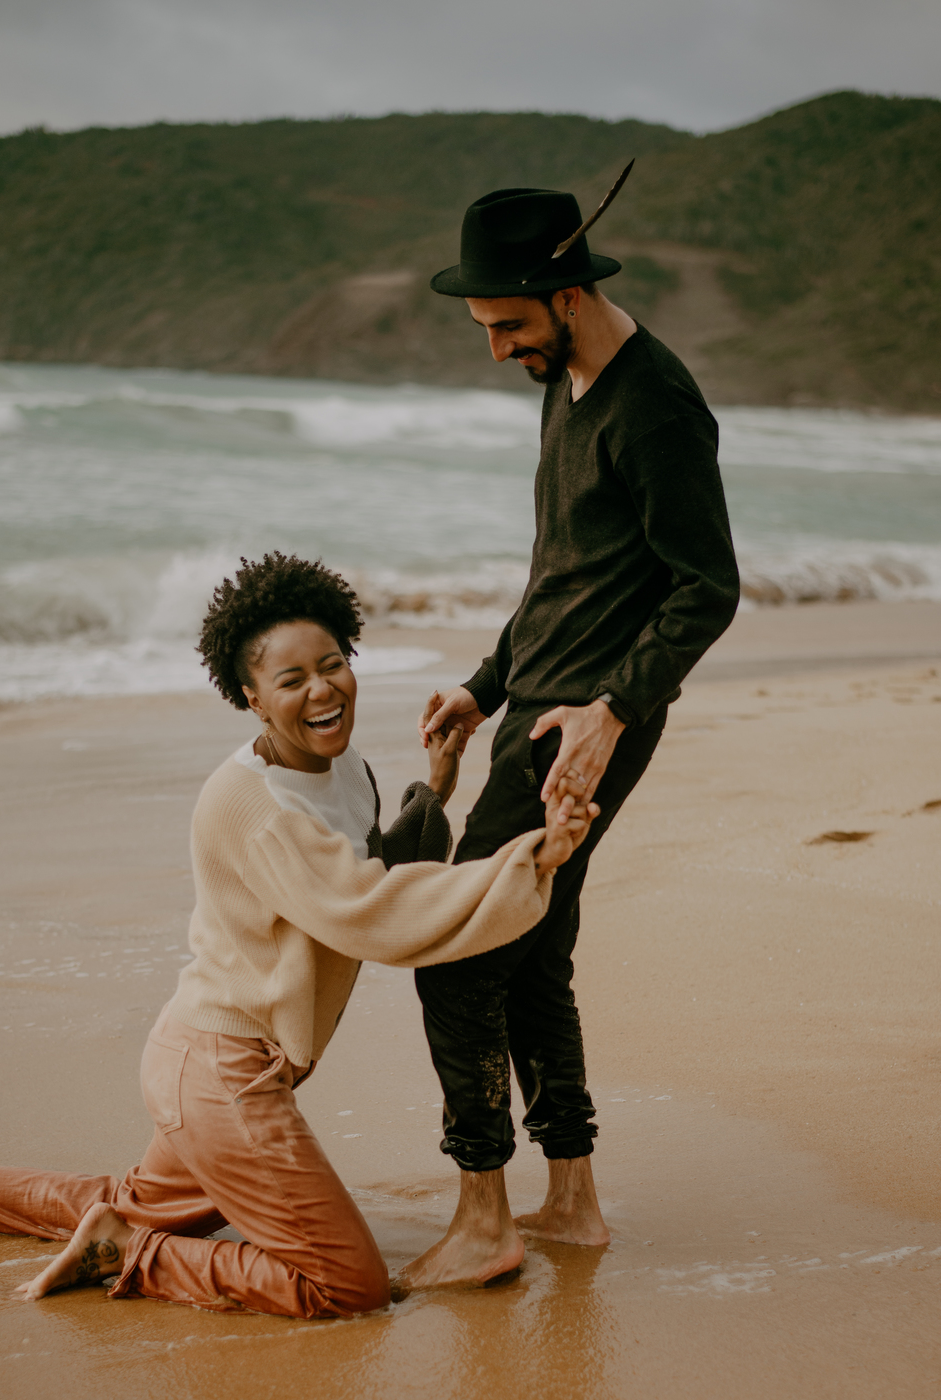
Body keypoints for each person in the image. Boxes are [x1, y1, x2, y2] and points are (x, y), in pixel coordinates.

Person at [0, 552, 597, 1317]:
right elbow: (367, 910)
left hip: (207, 1062)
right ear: (251, 697)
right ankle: (131, 1253)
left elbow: (371, 863)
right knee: (349, 1287)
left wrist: (437, 787)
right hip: (222, 1075)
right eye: (291, 680)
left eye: (333, 663)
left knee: (129, 1196)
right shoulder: (255, 806)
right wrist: (529, 859)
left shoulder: (341, 767)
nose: (322, 689)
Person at [394, 181, 742, 1293]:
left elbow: (707, 586)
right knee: (533, 950)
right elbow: (564, 570)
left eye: (509, 325)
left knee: (456, 947)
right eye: (486, 328)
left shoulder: (658, 406)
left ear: (570, 293)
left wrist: (614, 708)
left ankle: (483, 1214)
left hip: (587, 730)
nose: (497, 350)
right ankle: (574, 1203)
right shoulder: (567, 375)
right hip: (538, 712)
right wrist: (486, 684)